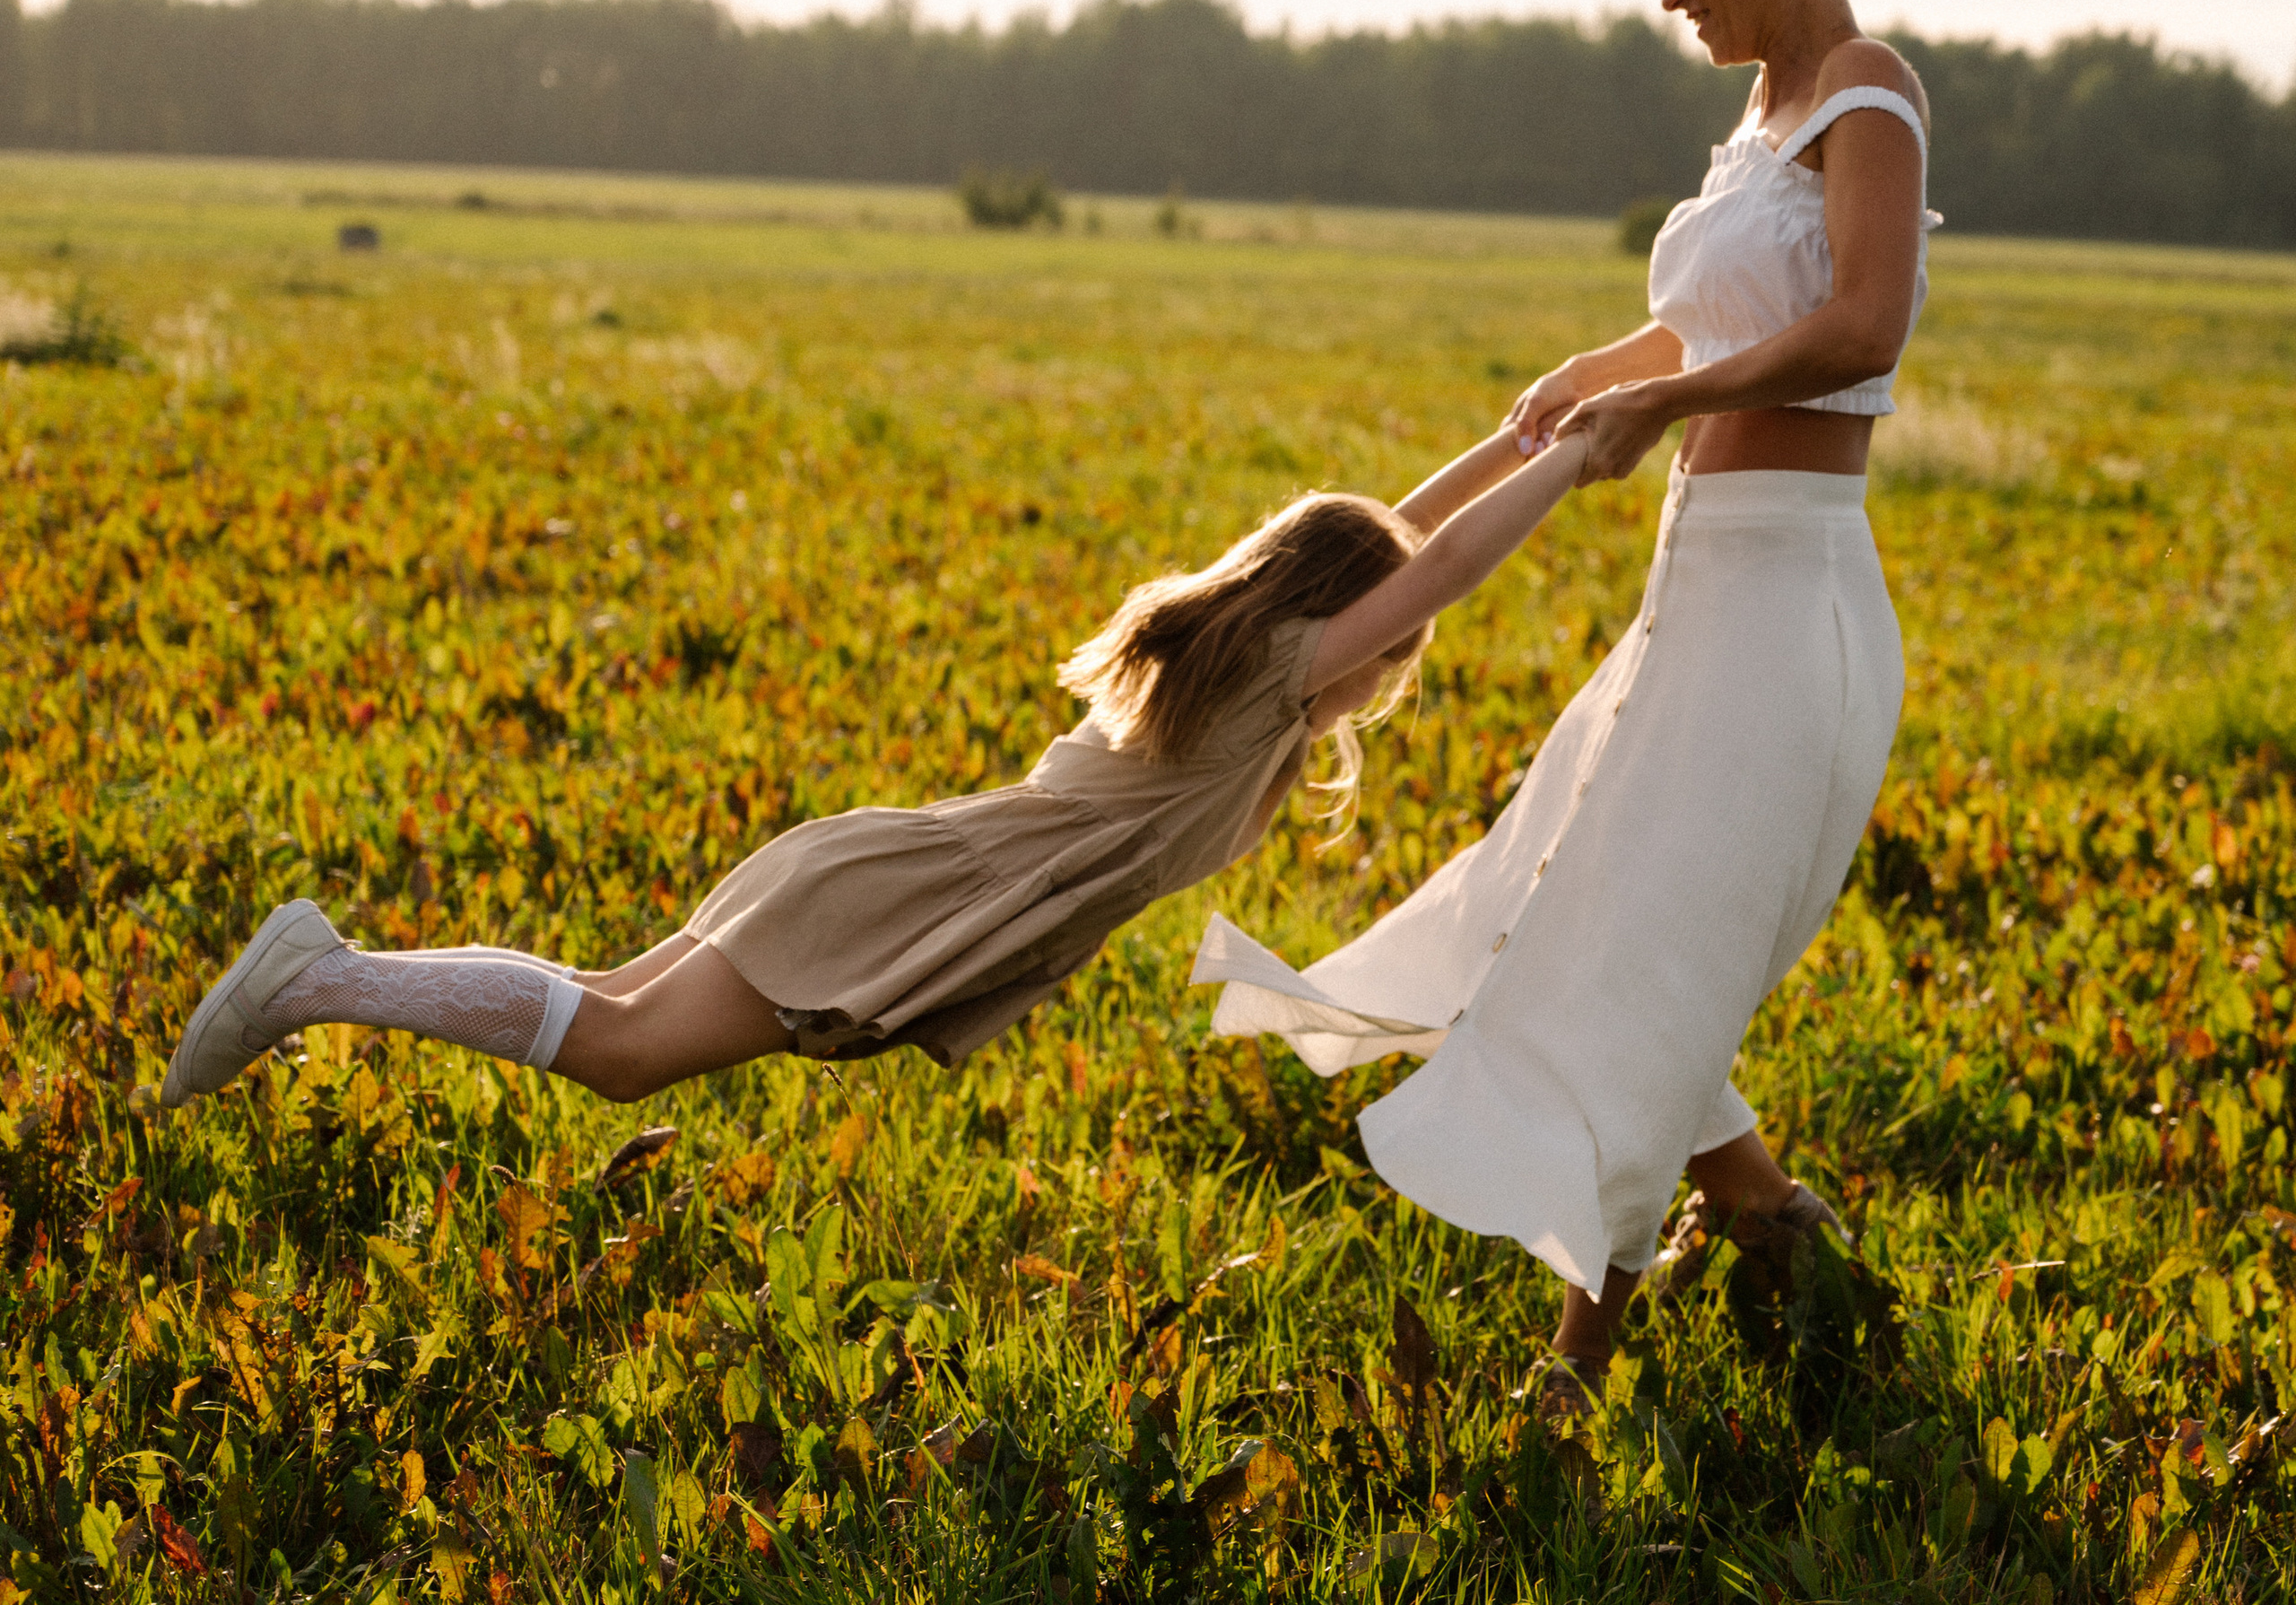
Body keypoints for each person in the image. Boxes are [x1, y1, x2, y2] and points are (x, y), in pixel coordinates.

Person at [1195, 0, 1936, 1413]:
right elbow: (1722, 316)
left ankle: (1579, 1364)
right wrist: (1603, 374)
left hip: (1791, 598)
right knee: (1582, 891)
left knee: (1643, 944)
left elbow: (1863, 329)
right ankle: (1759, 1212)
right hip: (1701, 583)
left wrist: (1661, 411)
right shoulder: (1756, 117)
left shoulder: (1870, 95)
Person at [159, 424, 1590, 1113]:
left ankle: (325, 975)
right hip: (907, 894)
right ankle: (320, 979)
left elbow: (1399, 533)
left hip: (901, 867)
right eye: (1389, 656)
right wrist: (1569, 461)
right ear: (1343, 626)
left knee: (607, 1015)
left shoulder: (1246, 646)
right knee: (621, 1052)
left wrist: (1518, 433)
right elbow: (1440, 558)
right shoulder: (1280, 669)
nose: (1386, 680)